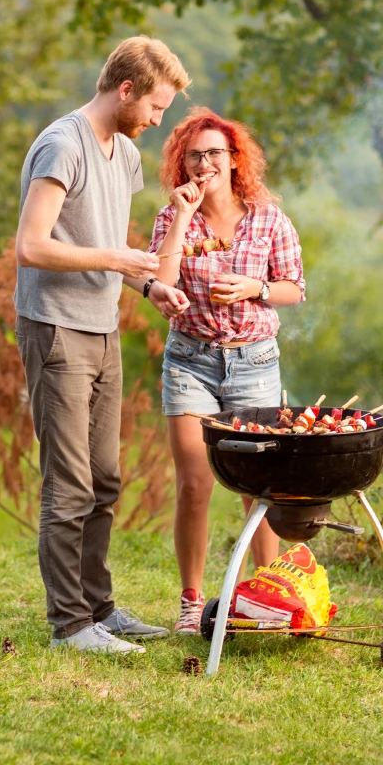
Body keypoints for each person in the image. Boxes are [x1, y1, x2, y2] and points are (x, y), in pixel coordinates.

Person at [14, 36, 192, 654]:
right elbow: (32, 246)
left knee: (106, 479)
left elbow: (107, 241)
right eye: (156, 107)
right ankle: (70, 625)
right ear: (126, 90)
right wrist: (118, 257)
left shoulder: (125, 154)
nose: (157, 119)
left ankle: (99, 608)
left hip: (103, 325)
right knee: (69, 484)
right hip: (56, 326)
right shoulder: (63, 144)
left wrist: (145, 285)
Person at [148, 107, 306, 634]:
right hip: (190, 360)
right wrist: (180, 218)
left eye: (215, 152)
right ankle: (192, 604)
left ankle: (264, 598)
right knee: (194, 483)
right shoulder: (172, 216)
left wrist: (253, 288)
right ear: (183, 162)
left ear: (234, 159)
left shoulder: (267, 218)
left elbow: (293, 288)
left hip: (255, 360)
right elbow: (160, 281)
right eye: (195, 155)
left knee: (256, 488)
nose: (205, 162)